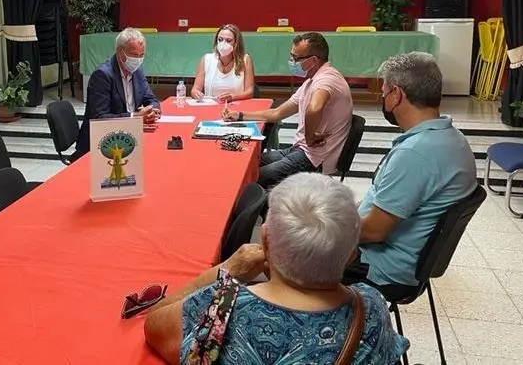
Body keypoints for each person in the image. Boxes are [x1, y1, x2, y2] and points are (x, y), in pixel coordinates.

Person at [144, 173, 409, 364]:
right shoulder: (372, 307)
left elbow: (154, 324)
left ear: (265, 240)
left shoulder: (221, 308)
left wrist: (227, 268)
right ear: (352, 255)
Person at [346, 52, 477, 288]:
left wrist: (324, 230)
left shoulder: (415, 154)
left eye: (384, 91)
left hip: (379, 266)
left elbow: (374, 232)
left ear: (396, 95)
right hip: (407, 261)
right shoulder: (453, 139)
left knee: (285, 247)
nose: (383, 98)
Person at [223, 32, 353, 189]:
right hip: (299, 150)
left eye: (296, 58)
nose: (292, 62)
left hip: (314, 159)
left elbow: (314, 108)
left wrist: (310, 137)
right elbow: (278, 113)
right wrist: (240, 115)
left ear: (313, 61)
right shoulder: (311, 82)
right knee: (246, 162)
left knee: (250, 179)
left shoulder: (327, 79)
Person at [73, 28, 161, 160]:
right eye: (134, 55)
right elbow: (99, 118)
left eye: (141, 55)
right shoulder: (103, 75)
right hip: (101, 145)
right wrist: (135, 117)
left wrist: (152, 110)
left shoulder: (137, 71)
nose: (138, 60)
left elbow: (151, 98)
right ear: (121, 52)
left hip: (129, 136)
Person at [191, 24, 255, 102]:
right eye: (220, 39)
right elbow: (195, 89)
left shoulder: (245, 60)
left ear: (236, 43)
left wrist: (232, 97)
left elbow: (249, 92)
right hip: (211, 107)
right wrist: (196, 93)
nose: (223, 44)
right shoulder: (206, 59)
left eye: (228, 40)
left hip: (236, 108)